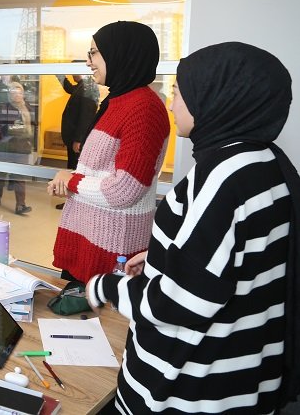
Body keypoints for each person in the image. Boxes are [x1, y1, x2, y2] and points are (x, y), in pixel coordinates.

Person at [86, 42, 300, 414]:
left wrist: (105, 286)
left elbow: (176, 305)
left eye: (178, 93)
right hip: (242, 379)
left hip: (187, 392)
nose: (172, 105)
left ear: (213, 98)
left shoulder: (223, 177)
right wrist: (162, 257)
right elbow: (235, 256)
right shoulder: (265, 161)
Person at [48, 21, 170, 284]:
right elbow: (100, 169)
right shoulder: (119, 100)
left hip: (112, 248)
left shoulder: (144, 109)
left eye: (93, 52)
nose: (88, 61)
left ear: (120, 53)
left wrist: (71, 180)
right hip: (90, 236)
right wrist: (70, 178)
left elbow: (124, 189)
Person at [0, 80, 35, 214]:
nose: (17, 95)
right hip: (6, 147)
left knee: (19, 176)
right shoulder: (4, 108)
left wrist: (30, 139)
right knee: (0, 174)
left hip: (22, 146)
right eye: (13, 93)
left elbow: (33, 125)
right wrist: (10, 132)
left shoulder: (28, 107)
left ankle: (20, 205)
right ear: (9, 94)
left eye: (19, 92)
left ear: (23, 94)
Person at [55, 71, 100, 209]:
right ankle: (72, 201)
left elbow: (86, 116)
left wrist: (78, 140)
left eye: (72, 72)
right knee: (72, 167)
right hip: (74, 138)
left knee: (76, 169)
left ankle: (75, 202)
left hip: (78, 139)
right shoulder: (83, 85)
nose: (72, 76)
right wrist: (59, 75)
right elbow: (70, 89)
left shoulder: (88, 87)